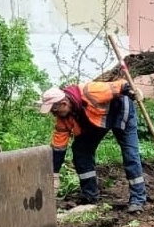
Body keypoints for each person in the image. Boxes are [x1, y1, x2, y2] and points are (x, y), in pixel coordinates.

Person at [40, 80, 147, 213]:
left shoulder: (90, 91)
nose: (54, 115)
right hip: (98, 120)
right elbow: (58, 149)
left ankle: (138, 200)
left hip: (121, 111)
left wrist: (132, 91)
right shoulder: (63, 118)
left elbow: (120, 85)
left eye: (54, 111)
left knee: (130, 154)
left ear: (63, 103)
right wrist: (54, 175)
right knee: (81, 151)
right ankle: (90, 196)